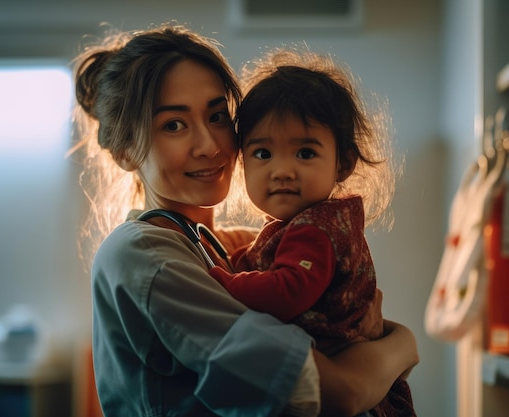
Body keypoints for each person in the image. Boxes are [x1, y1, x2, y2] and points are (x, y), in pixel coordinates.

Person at [72, 23, 419, 417]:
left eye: (218, 116)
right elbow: (341, 392)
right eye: (174, 125)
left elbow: (353, 324)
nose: (209, 145)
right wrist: (403, 343)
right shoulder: (141, 253)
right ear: (124, 152)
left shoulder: (240, 246)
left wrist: (385, 348)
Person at [208, 49, 416, 417]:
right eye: (262, 153)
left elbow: (288, 291)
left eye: (305, 153)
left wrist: (221, 283)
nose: (282, 170)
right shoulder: (306, 225)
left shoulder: (314, 231)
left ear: (344, 163)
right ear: (242, 161)